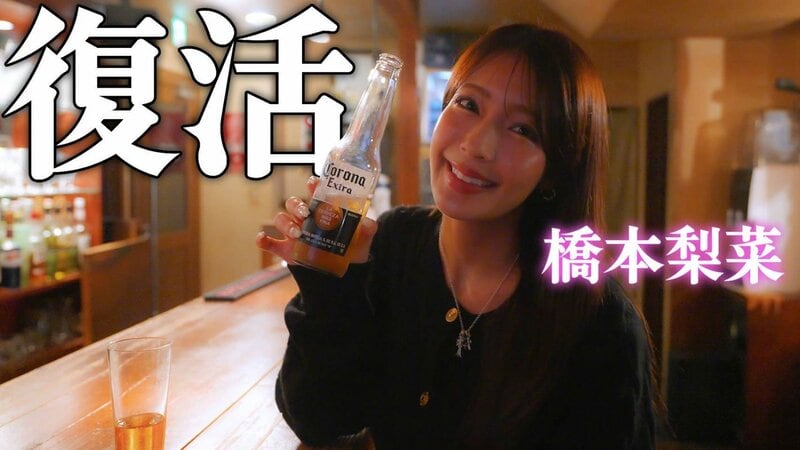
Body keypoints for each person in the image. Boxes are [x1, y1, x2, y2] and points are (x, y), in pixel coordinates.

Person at [258, 23, 656, 449]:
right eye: (468, 104)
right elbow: (318, 419)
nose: (477, 144)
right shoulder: (389, 247)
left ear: (555, 171)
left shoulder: (601, 324)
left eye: (523, 129)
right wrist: (329, 283)